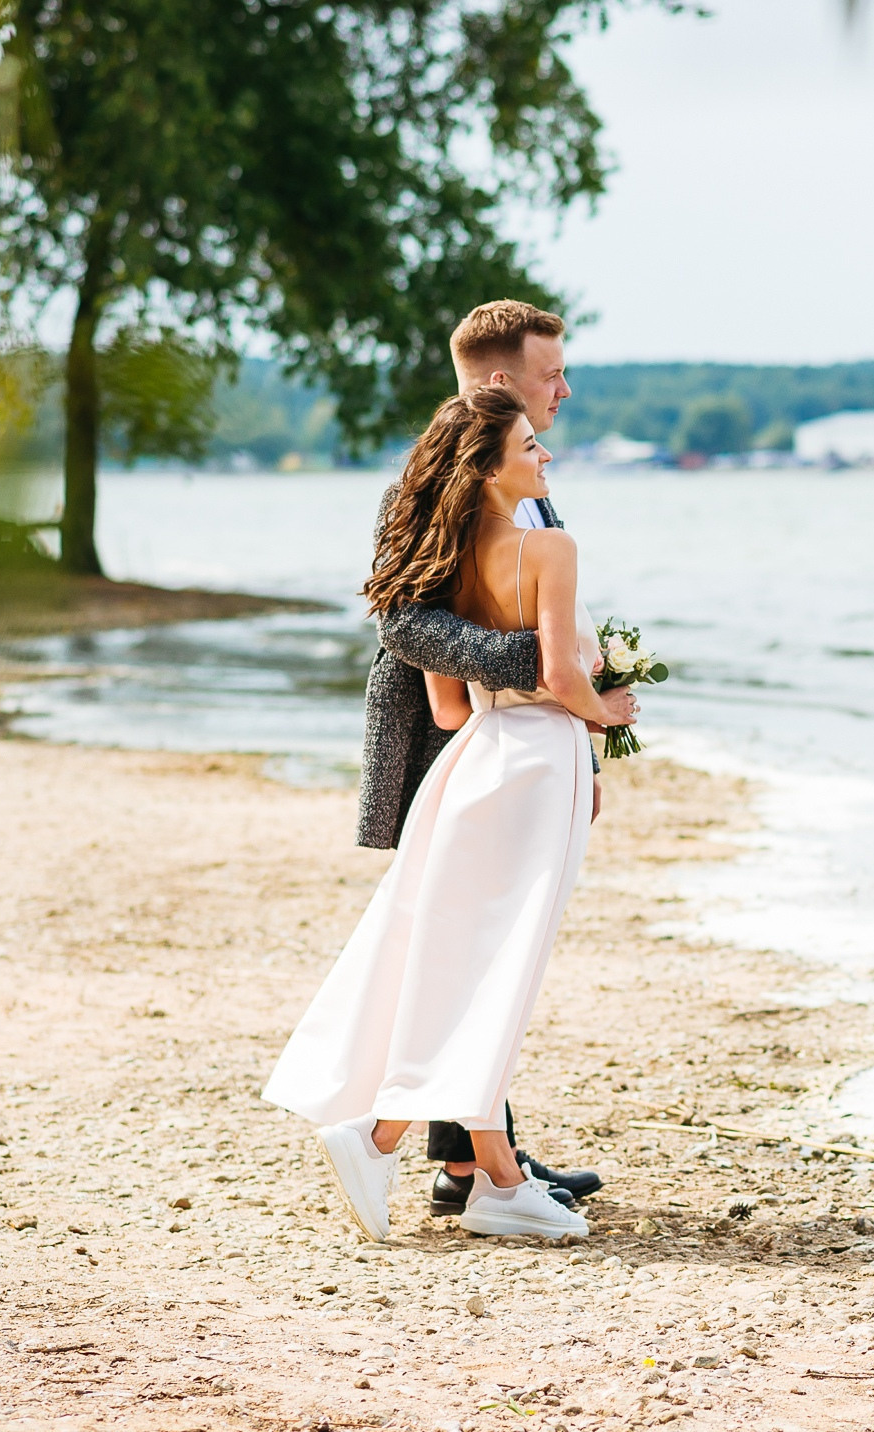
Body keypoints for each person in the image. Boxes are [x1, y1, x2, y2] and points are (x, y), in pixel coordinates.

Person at [264, 385, 634, 1240]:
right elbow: (563, 672)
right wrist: (603, 709)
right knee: (498, 965)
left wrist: (529, 708)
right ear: (492, 464)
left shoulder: (447, 556)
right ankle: (383, 1135)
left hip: (473, 762)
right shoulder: (552, 546)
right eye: (533, 446)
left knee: (465, 958)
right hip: (538, 763)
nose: (547, 456)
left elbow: (449, 709)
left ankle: (488, 1178)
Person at [361, 301, 623, 1217]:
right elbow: (404, 621)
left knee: (477, 942)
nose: (565, 388)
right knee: (467, 945)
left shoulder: (521, 468)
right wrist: (541, 679)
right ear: (499, 380)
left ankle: (474, 1163)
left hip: (512, 736)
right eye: (552, 372)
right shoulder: (436, 473)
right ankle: (468, 1159)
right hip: (453, 737)